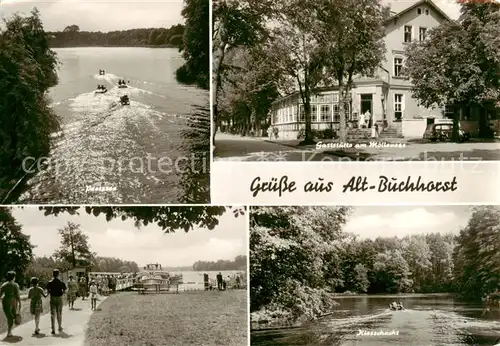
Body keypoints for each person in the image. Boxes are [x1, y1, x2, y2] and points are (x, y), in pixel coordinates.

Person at [0, 271, 21, 337]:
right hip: (13, 302)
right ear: (13, 277)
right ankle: (9, 332)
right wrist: (20, 303)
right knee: (11, 317)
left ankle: (9, 331)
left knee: (9, 317)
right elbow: (17, 295)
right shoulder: (15, 285)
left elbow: (0, 295)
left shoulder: (3, 285)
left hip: (5, 302)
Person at [46, 269, 67, 334]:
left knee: (52, 314)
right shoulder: (61, 283)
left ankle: (53, 329)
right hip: (59, 298)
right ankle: (59, 326)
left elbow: (48, 291)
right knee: (59, 313)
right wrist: (62, 294)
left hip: (52, 298)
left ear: (53, 274)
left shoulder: (50, 282)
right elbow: (64, 290)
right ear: (58, 274)